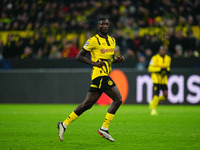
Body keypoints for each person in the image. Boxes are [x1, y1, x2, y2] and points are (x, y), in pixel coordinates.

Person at [57, 18, 125, 142]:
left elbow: (109, 59)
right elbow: (79, 56)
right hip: (100, 75)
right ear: (97, 26)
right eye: (102, 24)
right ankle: (104, 128)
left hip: (103, 74)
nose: (105, 26)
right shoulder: (93, 40)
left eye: (106, 24)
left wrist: (117, 60)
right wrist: (94, 63)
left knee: (87, 104)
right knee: (118, 99)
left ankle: (64, 124)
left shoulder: (112, 40)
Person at [148, 45, 171, 116]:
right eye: (162, 50)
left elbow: (168, 68)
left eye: (164, 50)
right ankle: (153, 109)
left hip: (164, 80)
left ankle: (153, 101)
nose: (163, 51)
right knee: (156, 94)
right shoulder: (154, 58)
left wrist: (167, 70)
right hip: (156, 79)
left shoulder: (168, 58)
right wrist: (159, 69)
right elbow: (150, 68)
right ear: (159, 50)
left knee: (165, 95)